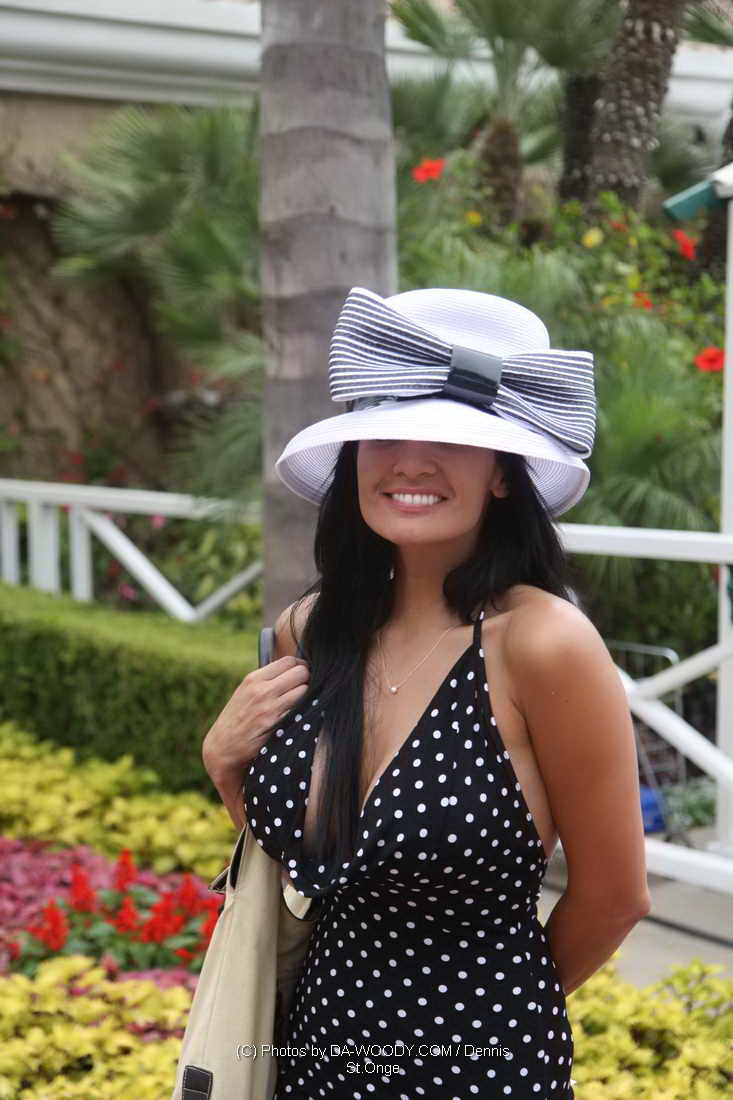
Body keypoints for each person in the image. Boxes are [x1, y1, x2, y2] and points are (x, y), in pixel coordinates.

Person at [203, 286, 651, 1099]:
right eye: (385, 435)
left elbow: (613, 896)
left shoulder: (541, 644)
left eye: (451, 440)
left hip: (476, 1069)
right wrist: (226, 767)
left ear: (504, 476)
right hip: (315, 1053)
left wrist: (481, 1015)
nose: (410, 461)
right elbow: (313, 866)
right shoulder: (315, 629)